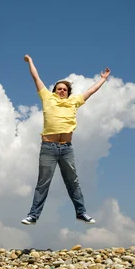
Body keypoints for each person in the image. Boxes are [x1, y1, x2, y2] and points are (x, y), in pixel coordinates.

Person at [21, 54, 110, 225]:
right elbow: (36, 77)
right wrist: (31, 62)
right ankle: (33, 215)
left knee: (73, 181)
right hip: (48, 148)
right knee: (43, 183)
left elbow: (91, 91)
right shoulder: (47, 98)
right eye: (58, 88)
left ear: (68, 93)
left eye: (64, 89)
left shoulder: (74, 102)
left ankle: (81, 212)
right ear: (54, 91)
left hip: (67, 148)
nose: (61, 90)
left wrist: (103, 79)